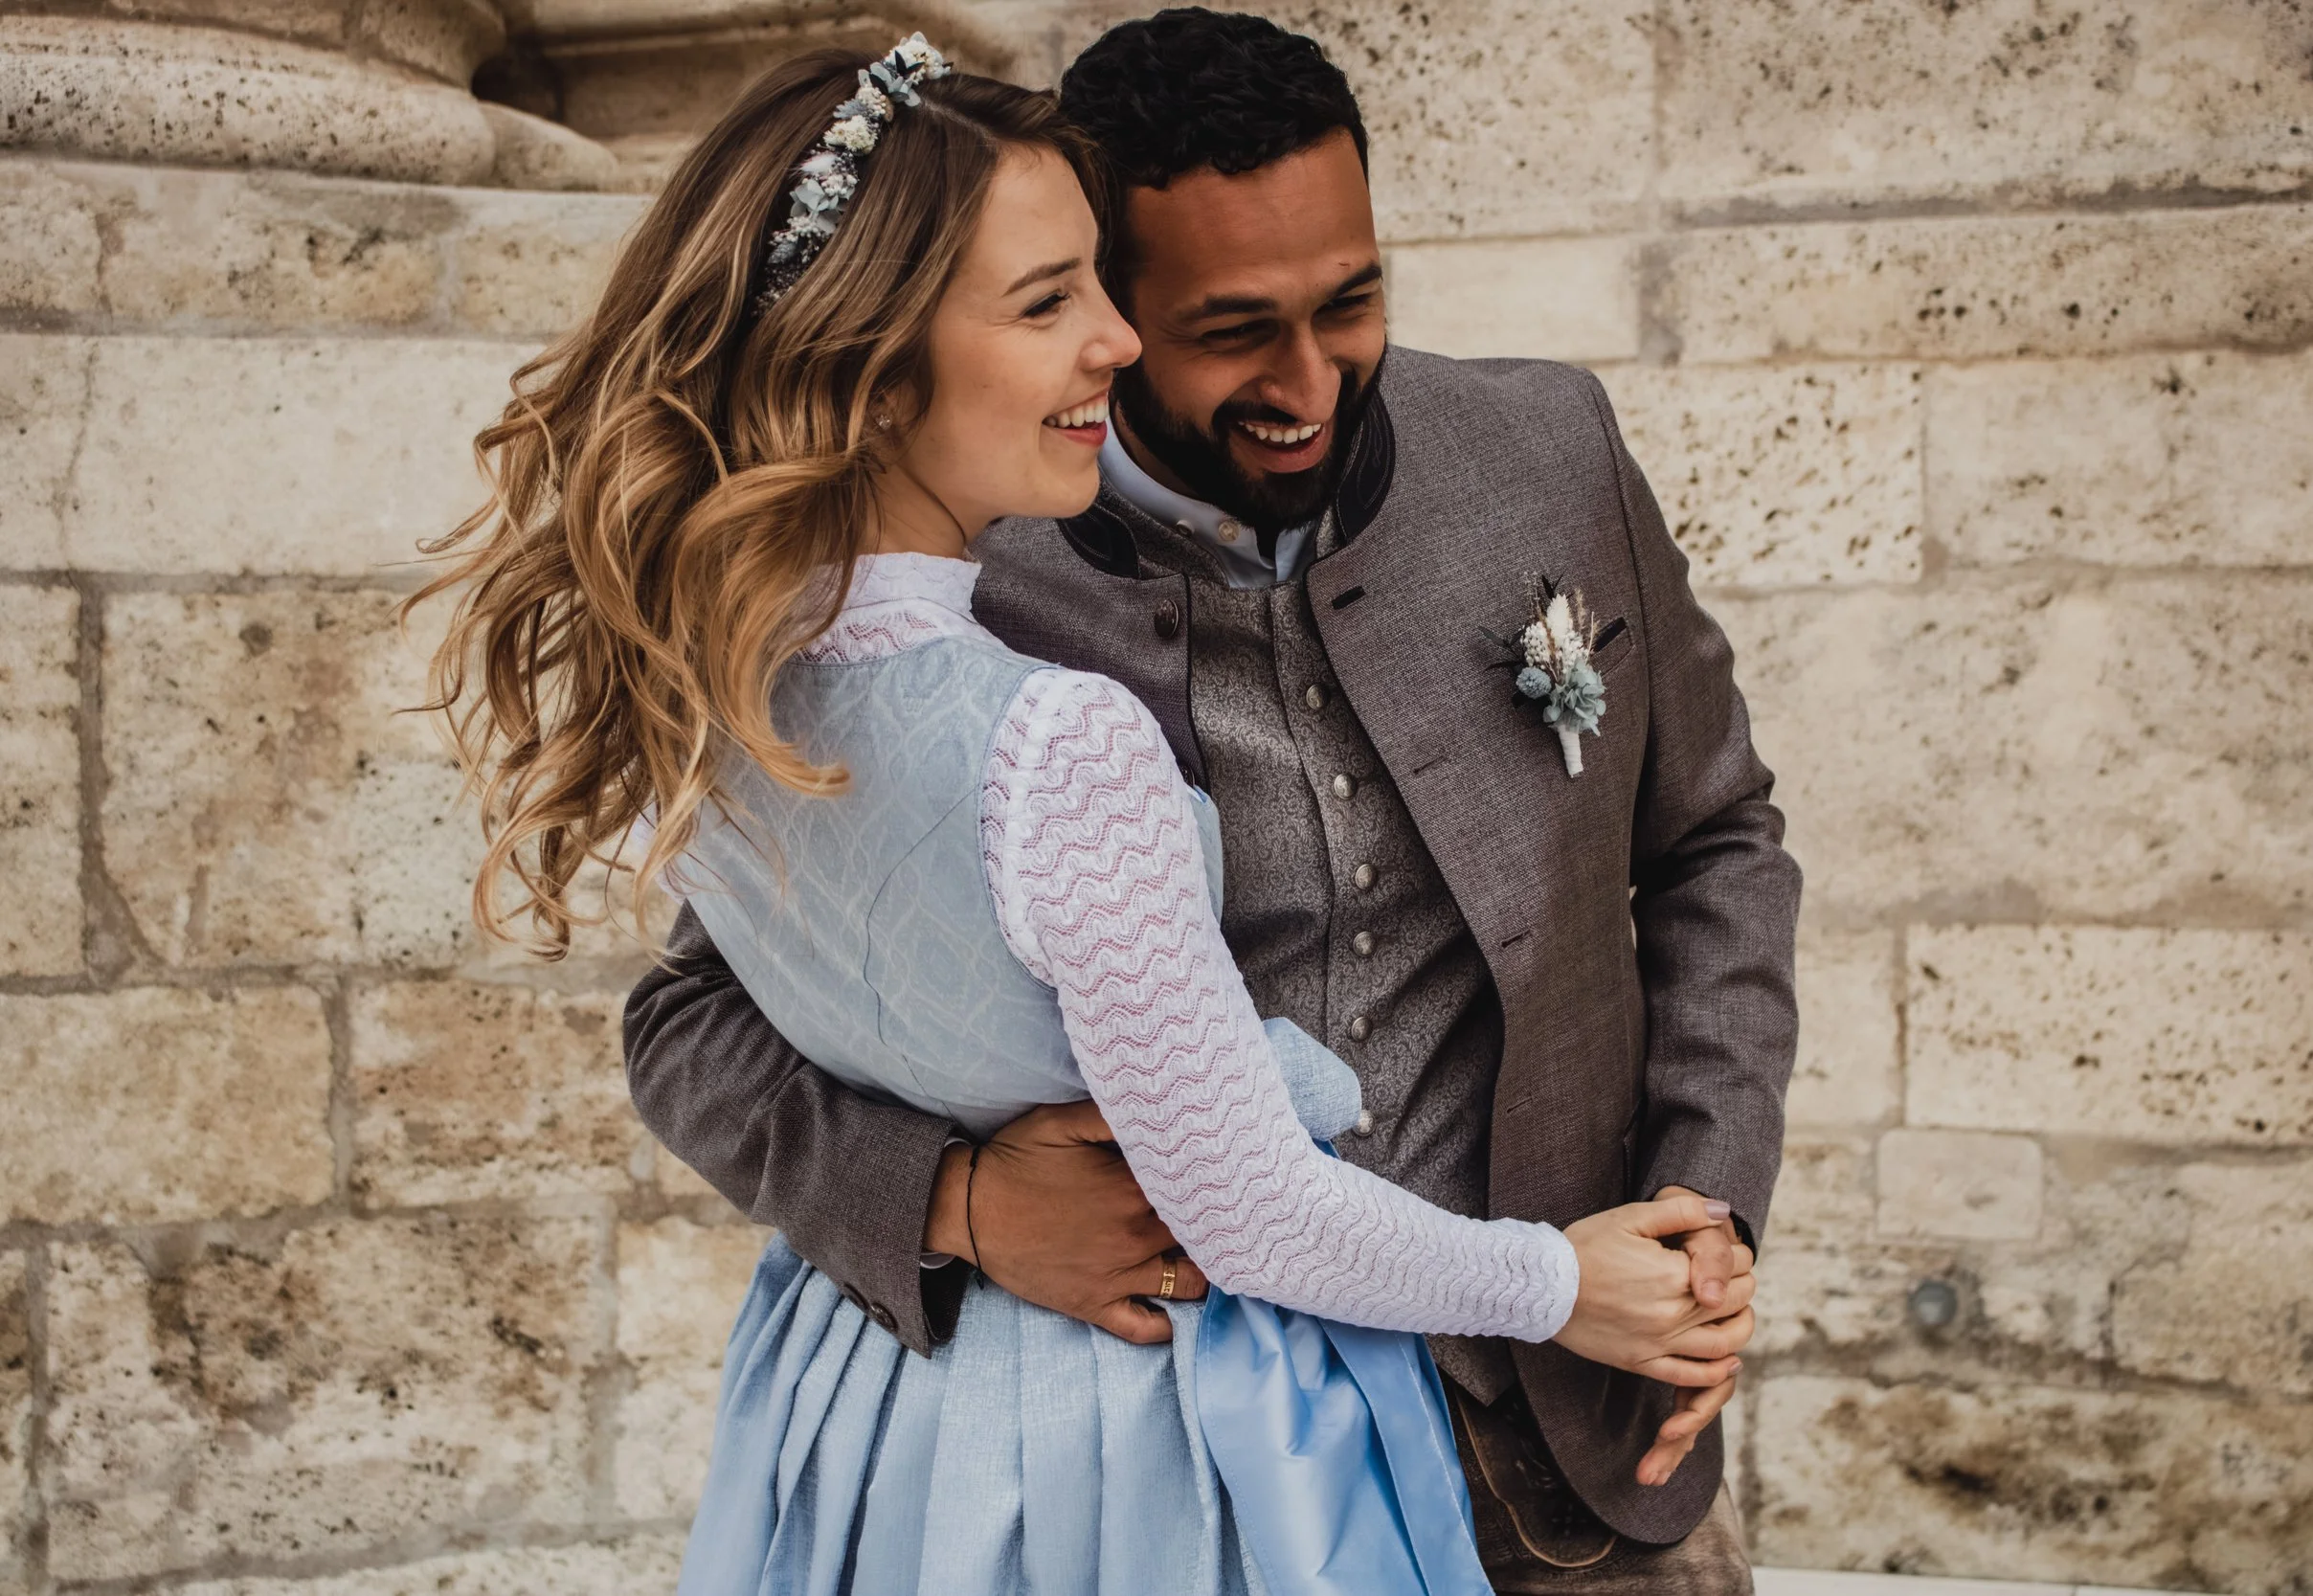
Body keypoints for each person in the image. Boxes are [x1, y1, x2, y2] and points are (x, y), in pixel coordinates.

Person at [415, 28, 1765, 1596]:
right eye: (1224, 327)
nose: (1308, 378)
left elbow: (1718, 839)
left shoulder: (1545, 452)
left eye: (1352, 300)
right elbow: (694, 1024)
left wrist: (1698, 1215)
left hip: (1588, 1422)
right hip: (1203, 1466)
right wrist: (956, 1203)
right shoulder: (971, 567)